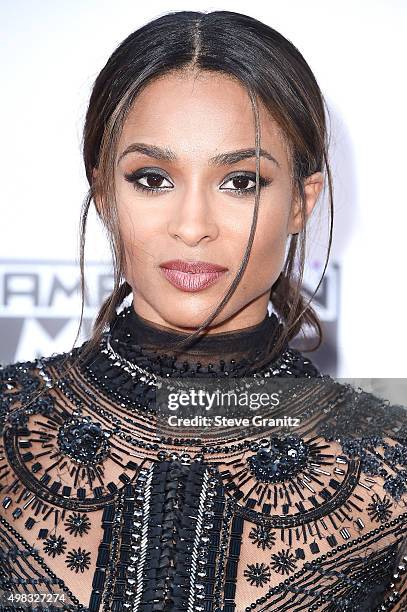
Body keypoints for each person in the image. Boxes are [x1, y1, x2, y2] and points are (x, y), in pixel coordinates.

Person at [0, 9, 406, 612]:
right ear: (105, 192)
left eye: (241, 181)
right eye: (153, 178)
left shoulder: (389, 471)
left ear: (301, 201)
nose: (192, 226)